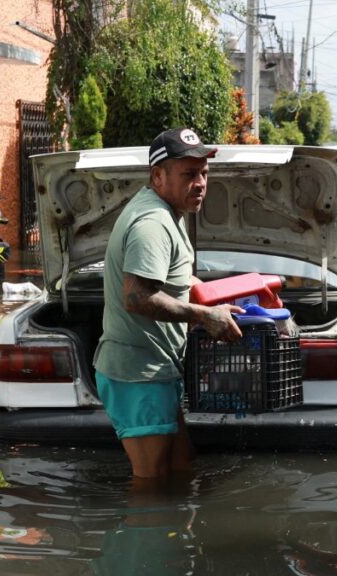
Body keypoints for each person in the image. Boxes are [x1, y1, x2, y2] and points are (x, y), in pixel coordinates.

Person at [93, 127, 243, 480]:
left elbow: (175, 280)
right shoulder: (153, 223)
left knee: (180, 466)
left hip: (156, 370)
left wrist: (219, 301)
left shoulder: (165, 214)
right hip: (138, 373)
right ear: (158, 176)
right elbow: (137, 297)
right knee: (152, 485)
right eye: (189, 174)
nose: (201, 182)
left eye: (204, 173)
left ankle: (171, 534)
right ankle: (140, 535)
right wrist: (204, 315)